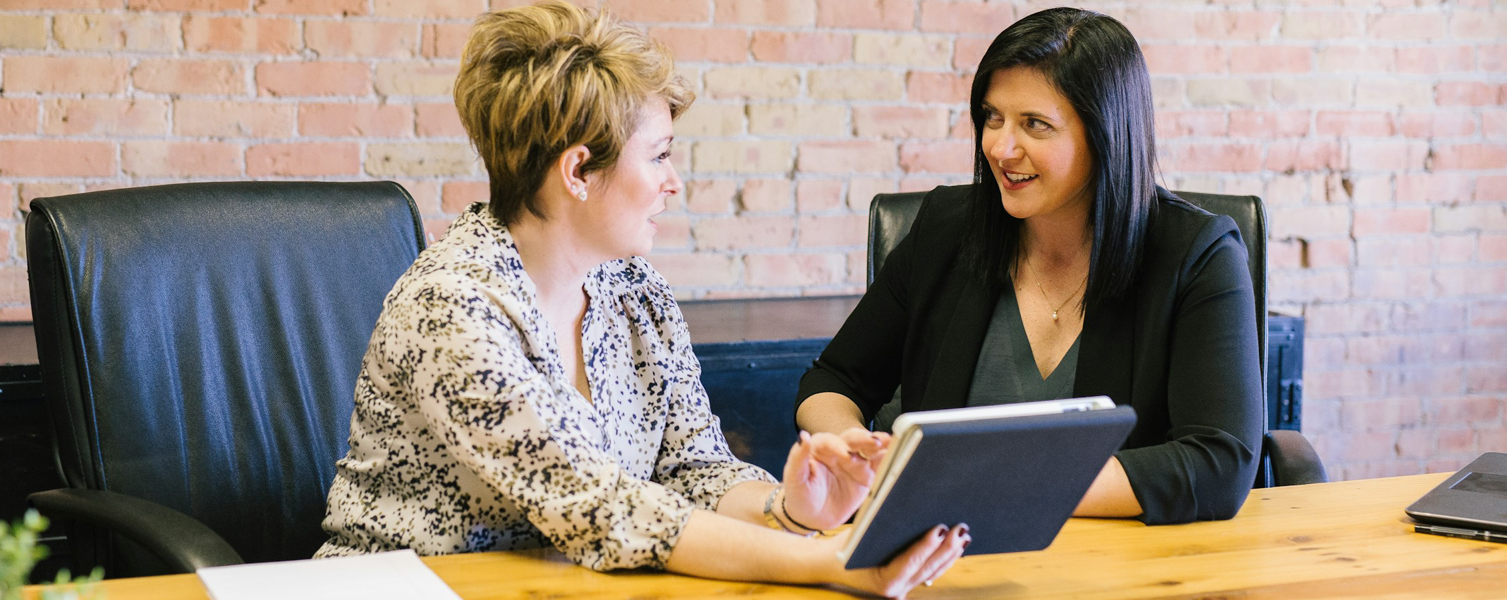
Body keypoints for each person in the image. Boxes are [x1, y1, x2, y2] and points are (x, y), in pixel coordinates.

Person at [315, 1, 966, 596]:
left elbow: (694, 466)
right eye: (658, 156)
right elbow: (602, 506)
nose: (673, 183)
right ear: (578, 171)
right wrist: (829, 561)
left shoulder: (634, 290)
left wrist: (791, 509)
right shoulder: (453, 306)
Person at [795, 7, 1264, 526]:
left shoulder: (1198, 254)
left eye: (1035, 125)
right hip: (942, 555)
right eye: (993, 118)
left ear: (1105, 133)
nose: (1000, 147)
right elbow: (832, 381)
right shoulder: (947, 229)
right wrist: (849, 448)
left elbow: (1219, 461)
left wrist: (990, 486)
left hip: (1120, 563)